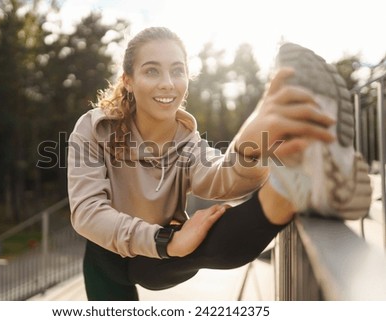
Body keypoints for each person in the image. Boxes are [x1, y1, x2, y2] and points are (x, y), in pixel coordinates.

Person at [67, 27, 372, 300]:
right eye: (151, 71)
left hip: (158, 259)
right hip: (106, 256)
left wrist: (247, 148)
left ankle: (290, 190)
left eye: (177, 70)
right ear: (128, 81)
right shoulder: (94, 128)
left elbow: (214, 177)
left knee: (204, 238)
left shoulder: (186, 138)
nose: (168, 84)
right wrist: (166, 241)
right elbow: (87, 212)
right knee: (154, 259)